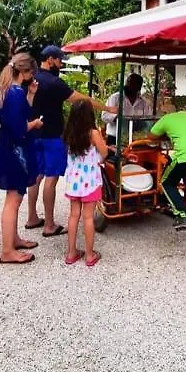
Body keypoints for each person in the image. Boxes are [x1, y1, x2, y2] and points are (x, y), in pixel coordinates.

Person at [25, 45, 116, 239]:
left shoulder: (31, 80)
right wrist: (107, 108)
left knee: (36, 176)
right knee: (51, 178)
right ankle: (49, 225)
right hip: (51, 136)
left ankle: (32, 217)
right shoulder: (55, 83)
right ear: (50, 59)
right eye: (59, 60)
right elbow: (82, 100)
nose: (60, 63)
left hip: (33, 134)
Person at [0, 53, 44, 264]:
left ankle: (13, 239)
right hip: (15, 151)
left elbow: (20, 115)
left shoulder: (7, 90)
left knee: (14, 197)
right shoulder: (13, 93)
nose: (32, 77)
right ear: (24, 72)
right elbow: (19, 128)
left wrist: (30, 95)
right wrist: (35, 124)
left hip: (8, 147)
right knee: (13, 200)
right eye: (31, 73)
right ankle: (7, 251)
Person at [63, 100, 109, 267]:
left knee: (73, 215)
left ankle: (71, 253)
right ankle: (89, 255)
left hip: (74, 181)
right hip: (90, 181)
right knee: (88, 217)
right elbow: (103, 152)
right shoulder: (93, 133)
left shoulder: (69, 132)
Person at [101, 73, 152, 145]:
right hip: (115, 138)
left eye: (134, 84)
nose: (129, 85)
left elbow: (148, 119)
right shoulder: (115, 98)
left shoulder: (143, 103)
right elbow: (104, 116)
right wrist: (118, 119)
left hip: (135, 140)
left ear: (139, 87)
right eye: (128, 82)